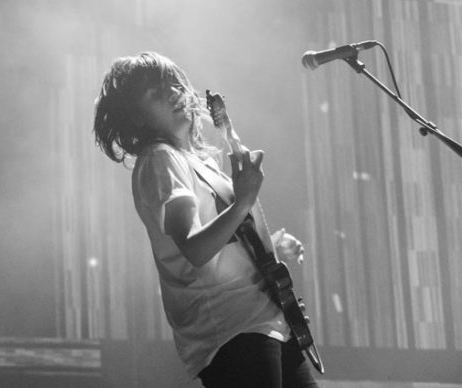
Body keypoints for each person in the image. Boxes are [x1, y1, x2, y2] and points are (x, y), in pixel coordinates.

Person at [93, 51, 318, 388]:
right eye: (156, 92)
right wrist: (243, 202)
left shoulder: (198, 162)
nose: (172, 92)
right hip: (231, 328)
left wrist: (268, 245)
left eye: (174, 83)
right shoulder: (160, 159)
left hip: (264, 319)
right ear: (137, 118)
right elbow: (195, 249)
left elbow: (224, 238)